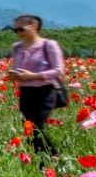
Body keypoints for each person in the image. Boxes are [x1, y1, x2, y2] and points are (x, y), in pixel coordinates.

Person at [5, 14, 65, 155]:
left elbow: (58, 70)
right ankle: (40, 158)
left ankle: (52, 158)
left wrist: (32, 76)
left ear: (34, 26)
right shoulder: (17, 47)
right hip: (25, 92)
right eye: (15, 30)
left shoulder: (48, 45)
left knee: (36, 127)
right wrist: (13, 75)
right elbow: (15, 67)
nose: (18, 33)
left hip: (45, 92)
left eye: (21, 29)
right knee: (28, 128)